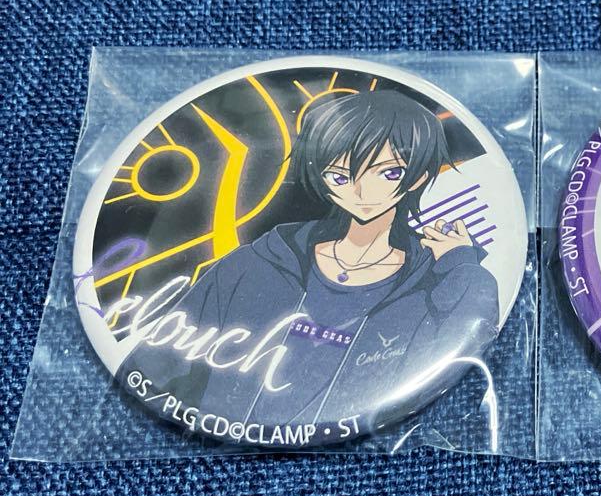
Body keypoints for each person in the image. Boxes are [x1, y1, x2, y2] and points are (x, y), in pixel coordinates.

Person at [119, 88, 500, 434]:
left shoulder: (431, 283)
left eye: (388, 173)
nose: (361, 191)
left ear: (417, 178)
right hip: (213, 445)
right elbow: (154, 363)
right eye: (340, 176)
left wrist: (461, 265)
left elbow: (467, 344)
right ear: (322, 176)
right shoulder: (257, 262)